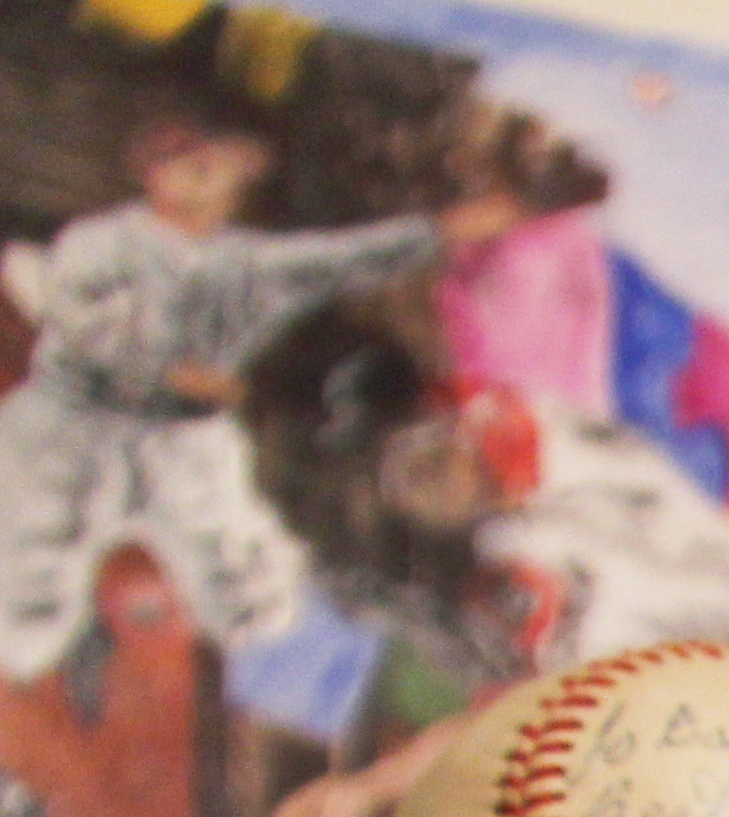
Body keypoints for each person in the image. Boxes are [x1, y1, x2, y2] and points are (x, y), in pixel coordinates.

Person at [0, 123, 509, 714]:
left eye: (217, 168)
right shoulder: (101, 241)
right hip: (75, 423)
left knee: (257, 599)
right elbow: (88, 328)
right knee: (23, 600)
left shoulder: (245, 262)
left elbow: (347, 258)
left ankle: (283, 713)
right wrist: (170, 372)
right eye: (184, 162)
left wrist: (444, 231)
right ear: (152, 173)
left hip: (185, 437)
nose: (201, 177)